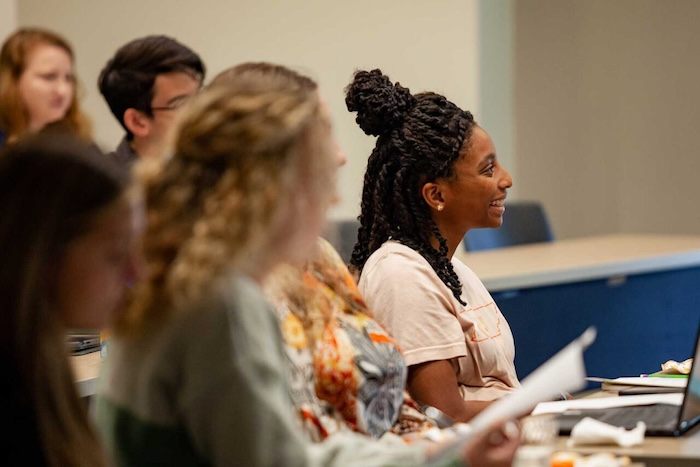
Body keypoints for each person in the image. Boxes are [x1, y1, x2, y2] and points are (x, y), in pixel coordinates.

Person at [96, 63, 517, 467]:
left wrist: (437, 455)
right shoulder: (215, 302)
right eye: (323, 137)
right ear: (273, 171)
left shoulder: (217, 281)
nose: (339, 158)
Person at [346, 69, 520, 424]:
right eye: (488, 170)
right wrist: (544, 404)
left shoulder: (451, 269)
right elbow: (442, 415)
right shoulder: (400, 275)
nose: (506, 180)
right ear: (436, 195)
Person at [0, 133, 143, 466]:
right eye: (116, 254)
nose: (136, 274)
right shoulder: (16, 396)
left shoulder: (68, 344)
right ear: (44, 254)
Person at [98, 35, 205, 164]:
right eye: (182, 103)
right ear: (137, 122)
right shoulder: (107, 182)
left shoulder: (206, 169)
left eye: (200, 96)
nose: (202, 110)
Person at [0, 27, 91, 147]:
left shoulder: (79, 144)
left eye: (68, 78)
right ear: (13, 80)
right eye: (49, 77)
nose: (62, 91)